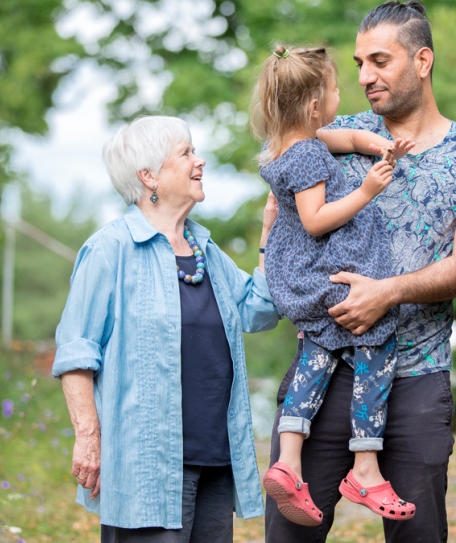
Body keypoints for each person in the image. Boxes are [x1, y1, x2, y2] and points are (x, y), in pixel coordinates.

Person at [263, 2, 456, 542]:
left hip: (416, 380)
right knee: (288, 536)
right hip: (323, 373)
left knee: (418, 536)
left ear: (422, 60)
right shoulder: (333, 133)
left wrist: (385, 293)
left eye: (380, 60)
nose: (363, 77)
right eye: (357, 63)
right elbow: (280, 203)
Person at [52, 115, 281, 543]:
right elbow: (76, 353)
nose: (200, 161)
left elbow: (259, 310)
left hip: (216, 459)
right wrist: (87, 437)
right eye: (187, 153)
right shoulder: (110, 250)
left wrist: (270, 231)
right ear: (148, 175)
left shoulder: (206, 251)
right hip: (147, 468)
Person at [250, 43, 418, 527]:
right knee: (376, 342)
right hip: (325, 275)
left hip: (299, 276)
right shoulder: (305, 156)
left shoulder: (291, 142)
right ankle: (365, 466)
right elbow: (315, 219)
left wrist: (374, 145)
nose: (341, 92)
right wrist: (367, 190)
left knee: (316, 358)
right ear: (312, 105)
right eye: (333, 89)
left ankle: (289, 462)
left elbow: (339, 139)